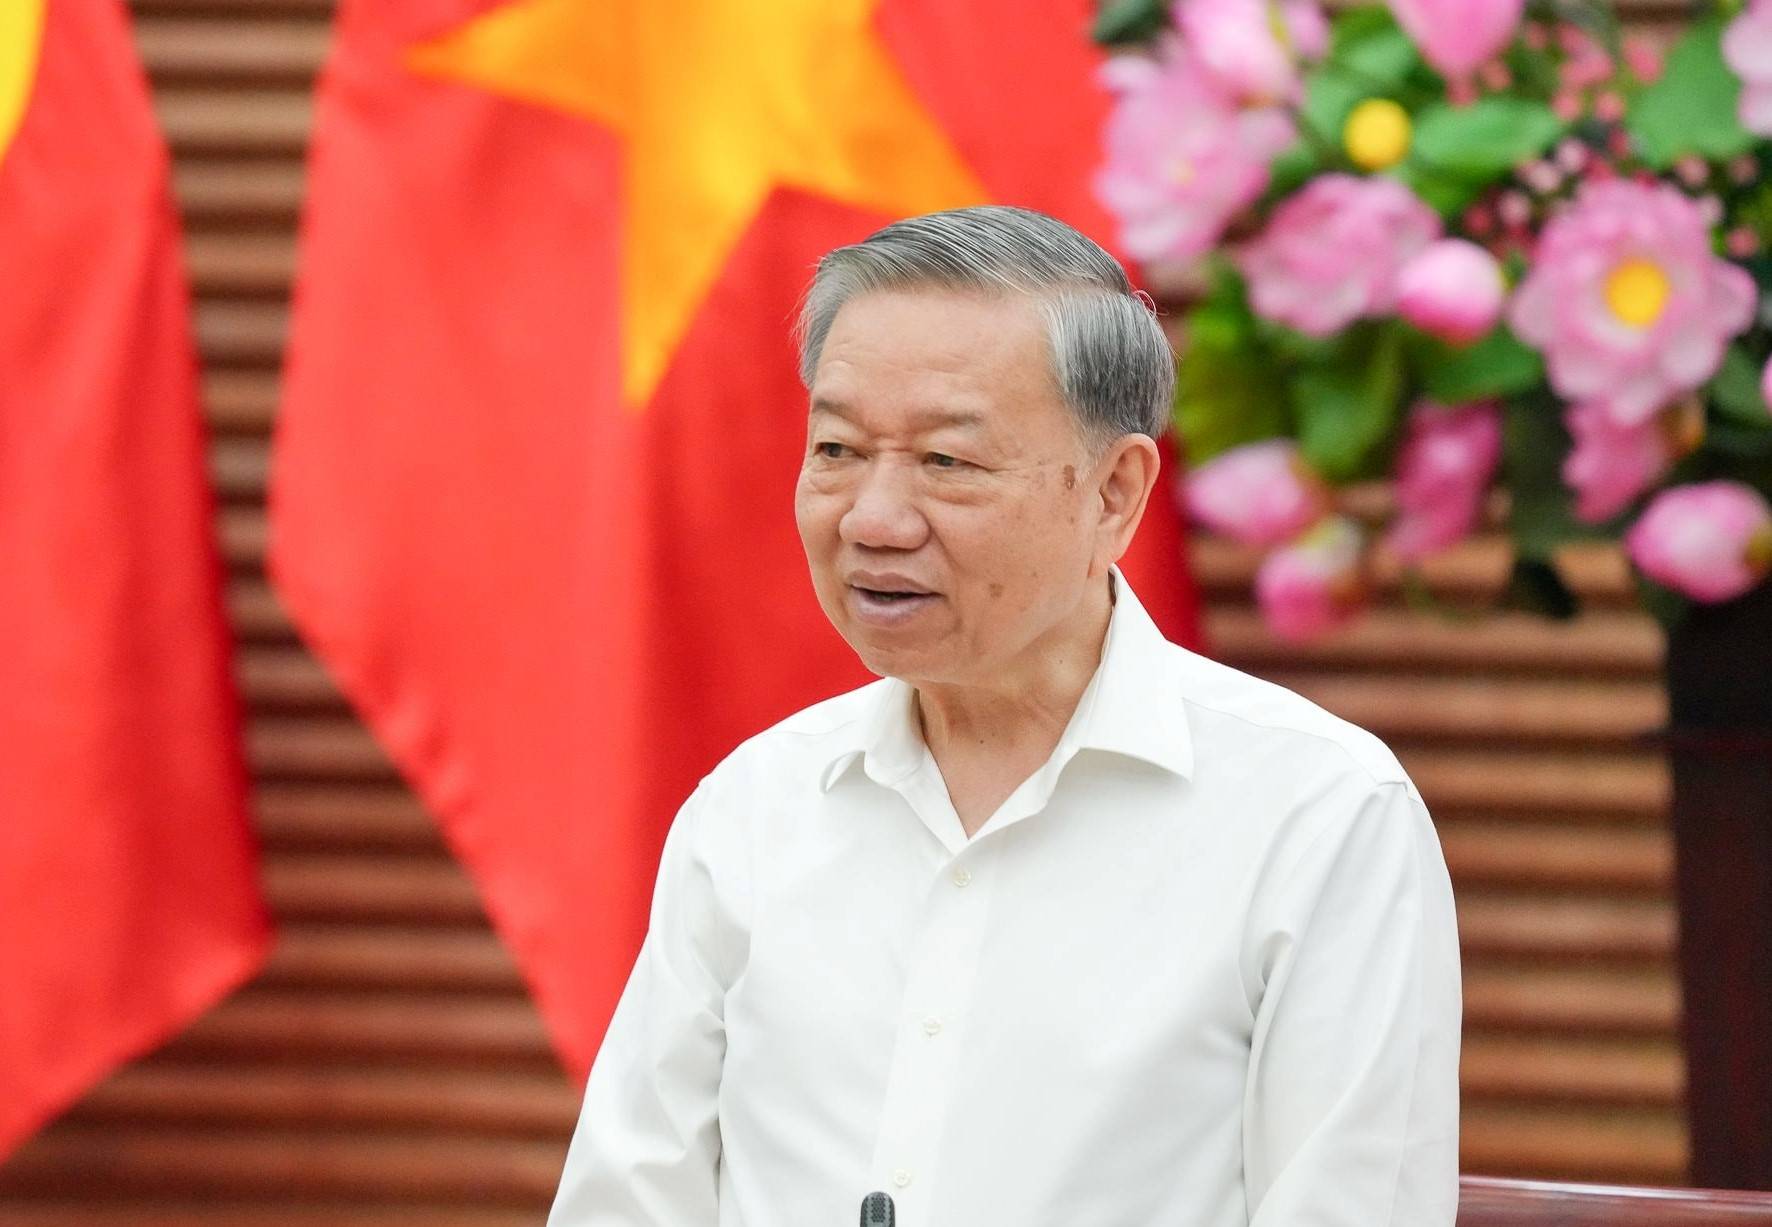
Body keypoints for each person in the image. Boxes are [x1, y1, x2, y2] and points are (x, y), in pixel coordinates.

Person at [547, 205, 1461, 1226]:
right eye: (838, 449)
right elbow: (626, 1202)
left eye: (947, 462)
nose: (873, 518)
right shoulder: (754, 807)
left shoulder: (1318, 815)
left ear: (1113, 492)